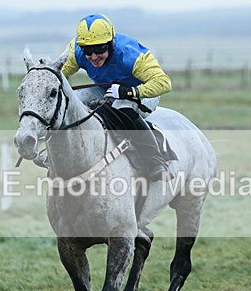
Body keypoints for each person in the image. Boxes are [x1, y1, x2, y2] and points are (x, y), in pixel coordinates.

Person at [60, 13, 173, 181]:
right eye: (88, 50)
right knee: (74, 101)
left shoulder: (131, 55)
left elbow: (164, 83)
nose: (93, 56)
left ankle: (155, 160)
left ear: (111, 44)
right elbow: (58, 75)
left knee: (121, 106)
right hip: (108, 90)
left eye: (99, 49)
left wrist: (129, 92)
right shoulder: (76, 52)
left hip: (143, 93)